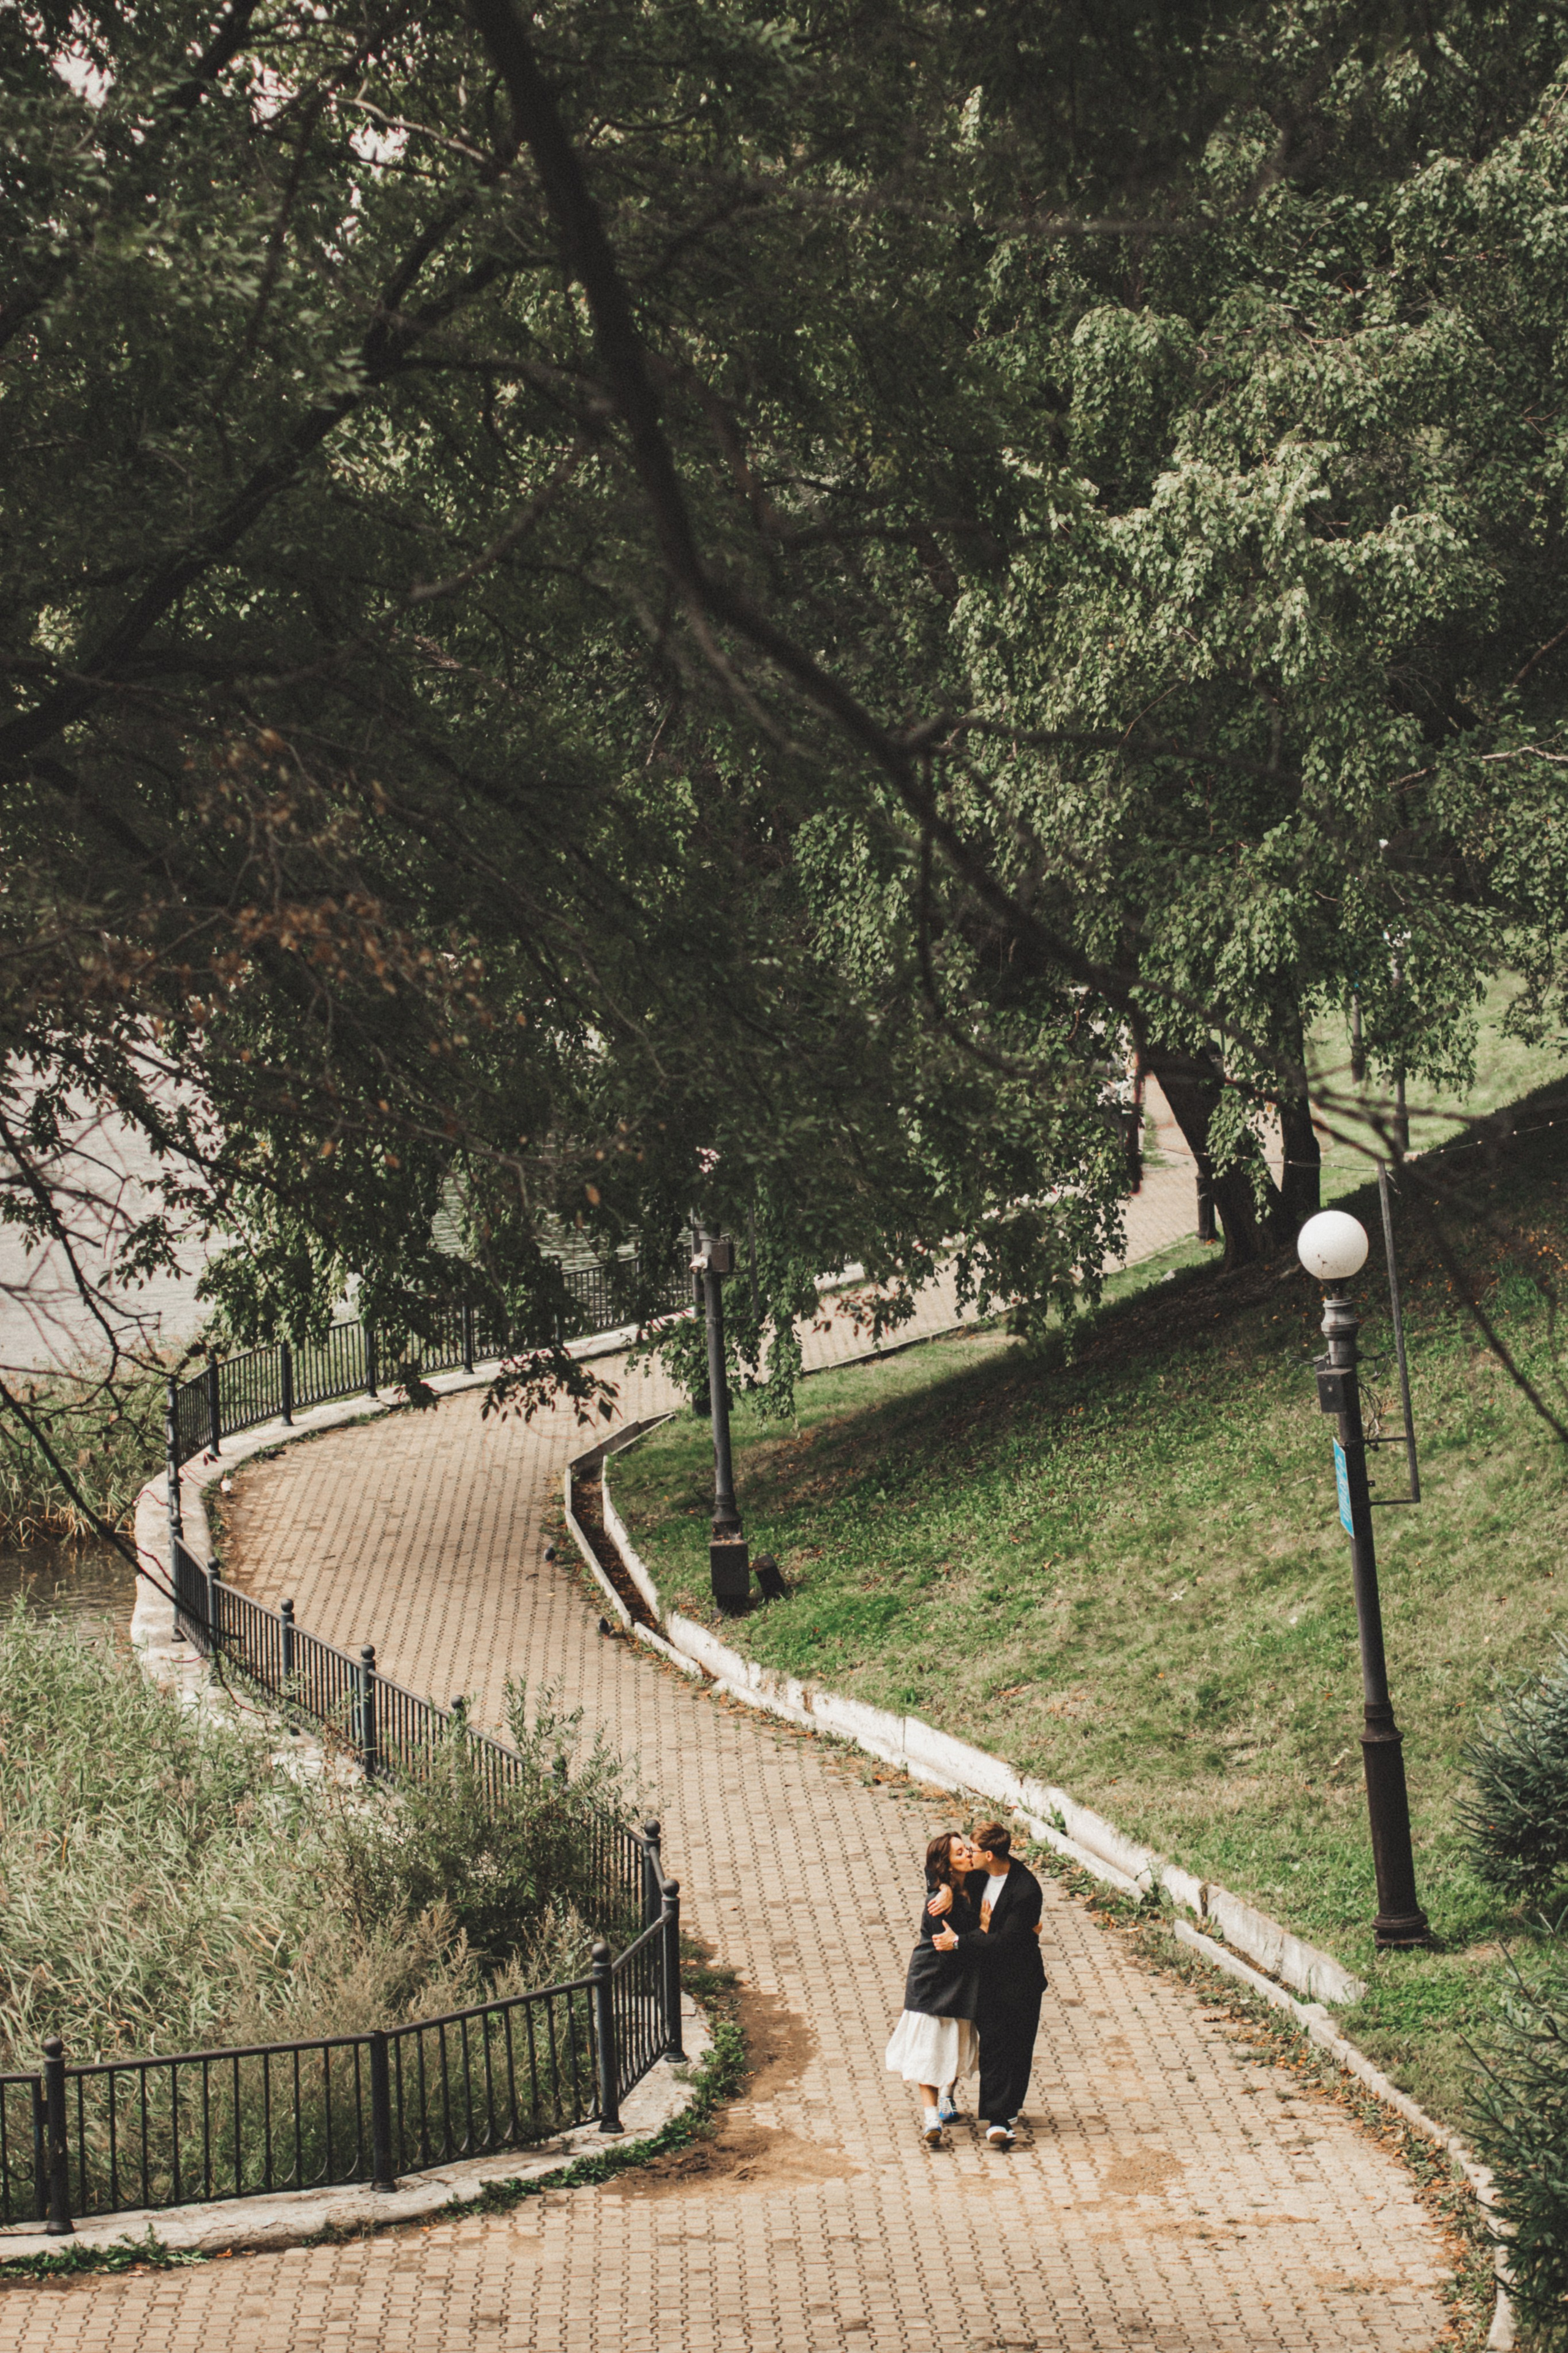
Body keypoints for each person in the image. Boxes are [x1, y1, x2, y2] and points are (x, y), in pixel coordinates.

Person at [929, 1819, 1046, 2150]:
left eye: (974, 1850)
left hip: (1019, 1979)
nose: (968, 1854)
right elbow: (935, 1867)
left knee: (1018, 2046)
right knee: (994, 2044)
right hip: (986, 1979)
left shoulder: (1025, 1889)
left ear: (991, 1855)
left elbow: (1007, 1942)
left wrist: (958, 1944)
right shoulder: (979, 1875)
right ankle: (996, 2117)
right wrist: (947, 1889)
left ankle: (1007, 2111)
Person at [884, 1832, 981, 2148]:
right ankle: (931, 2119)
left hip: (963, 1980)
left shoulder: (975, 1883)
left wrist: (943, 1884)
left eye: (967, 1849)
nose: (968, 1854)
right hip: (933, 1981)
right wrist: (982, 1929)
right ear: (947, 1865)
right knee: (929, 2049)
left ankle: (947, 2099)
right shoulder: (938, 1903)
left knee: (953, 2046)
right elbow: (947, 1948)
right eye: (960, 1853)